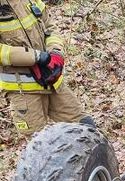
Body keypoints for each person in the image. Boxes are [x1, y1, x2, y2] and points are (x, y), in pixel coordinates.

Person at [0, 0, 94, 136]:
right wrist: (35, 57)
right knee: (39, 144)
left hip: (51, 81)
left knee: (85, 126)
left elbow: (50, 27)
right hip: (24, 91)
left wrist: (55, 52)